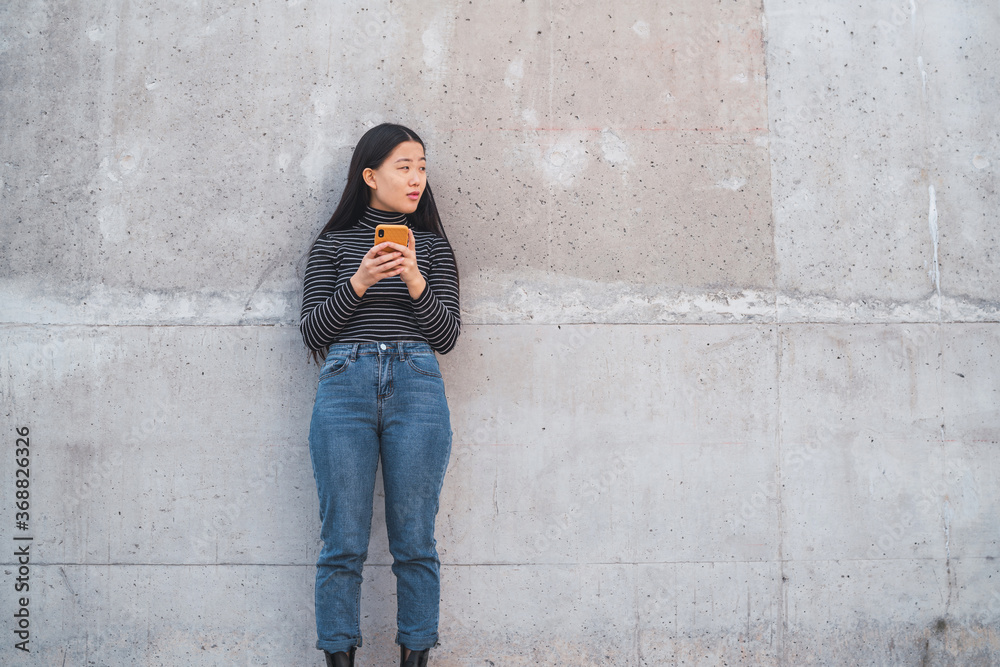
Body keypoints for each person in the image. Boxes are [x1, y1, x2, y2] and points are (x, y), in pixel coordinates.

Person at [300, 123, 461, 667]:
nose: (416, 178)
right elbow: (314, 336)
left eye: (421, 166)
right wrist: (360, 282)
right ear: (370, 176)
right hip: (345, 384)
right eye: (403, 166)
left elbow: (446, 337)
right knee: (341, 544)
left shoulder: (434, 247)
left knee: (415, 543)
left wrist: (415, 278)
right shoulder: (333, 246)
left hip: (417, 384)